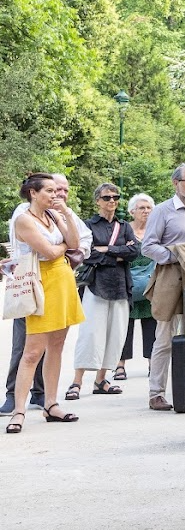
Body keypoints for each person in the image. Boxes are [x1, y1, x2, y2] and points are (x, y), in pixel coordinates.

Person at [2, 174, 91, 416]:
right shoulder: (23, 219)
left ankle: (51, 403)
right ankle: (19, 409)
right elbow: (52, 252)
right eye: (50, 191)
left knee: (57, 345)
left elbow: (75, 241)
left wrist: (67, 216)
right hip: (40, 281)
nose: (56, 195)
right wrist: (64, 248)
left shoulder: (53, 214)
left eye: (58, 191)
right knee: (32, 350)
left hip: (62, 279)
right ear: (33, 192)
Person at [141, 163, 185, 411]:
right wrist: (176, 256)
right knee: (164, 337)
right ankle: (156, 392)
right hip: (169, 277)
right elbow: (148, 246)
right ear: (175, 183)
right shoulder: (162, 210)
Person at [69, 184, 139, 399]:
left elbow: (134, 251)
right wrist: (118, 254)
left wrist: (106, 250)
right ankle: (76, 382)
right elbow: (87, 254)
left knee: (115, 334)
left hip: (120, 285)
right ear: (97, 200)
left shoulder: (125, 226)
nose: (112, 201)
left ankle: (101, 380)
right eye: (107, 197)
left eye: (115, 197)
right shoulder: (88, 225)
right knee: (90, 333)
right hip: (96, 285)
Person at [116, 194, 156, 382]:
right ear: (132, 211)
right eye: (141, 208)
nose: (146, 211)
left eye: (149, 208)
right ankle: (120, 365)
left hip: (151, 283)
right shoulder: (124, 230)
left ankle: (152, 363)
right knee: (125, 324)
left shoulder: (156, 230)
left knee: (152, 323)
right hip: (128, 281)